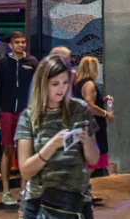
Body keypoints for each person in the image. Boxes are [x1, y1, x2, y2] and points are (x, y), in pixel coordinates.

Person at [15, 54, 100, 219]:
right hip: (40, 202)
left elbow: (94, 159)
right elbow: (25, 170)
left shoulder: (80, 109)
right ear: (43, 83)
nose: (61, 89)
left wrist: (86, 141)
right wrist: (52, 145)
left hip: (77, 200)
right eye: (55, 84)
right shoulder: (29, 117)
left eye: (65, 83)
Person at [0, 31, 38, 205]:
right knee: (7, 149)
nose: (21, 45)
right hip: (8, 110)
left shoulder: (32, 62)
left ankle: (25, 189)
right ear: (11, 44)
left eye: (23, 42)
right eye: (17, 42)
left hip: (26, 112)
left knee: (25, 150)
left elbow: (37, 88)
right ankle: (5, 190)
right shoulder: (3, 63)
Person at [73, 57, 112, 178]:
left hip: (82, 123)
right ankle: (82, 189)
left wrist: (102, 101)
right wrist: (106, 114)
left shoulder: (78, 84)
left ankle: (86, 190)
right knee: (94, 158)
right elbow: (90, 106)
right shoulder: (89, 84)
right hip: (93, 126)